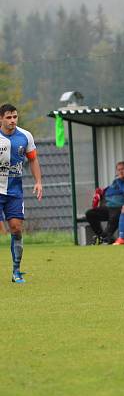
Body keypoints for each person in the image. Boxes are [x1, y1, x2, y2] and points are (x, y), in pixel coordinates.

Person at [0, 104, 43, 283]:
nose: (12, 121)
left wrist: (38, 181)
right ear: (1, 118)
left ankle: (16, 271)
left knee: (16, 228)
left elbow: (33, 160)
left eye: (15, 117)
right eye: (9, 117)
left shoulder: (26, 136)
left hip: (14, 192)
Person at [85, 161, 124, 244]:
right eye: (118, 170)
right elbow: (108, 192)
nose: (120, 171)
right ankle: (102, 236)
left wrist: (120, 182)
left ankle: (104, 238)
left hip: (120, 207)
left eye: (122, 169)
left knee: (114, 216)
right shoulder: (115, 181)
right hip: (108, 207)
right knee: (90, 213)